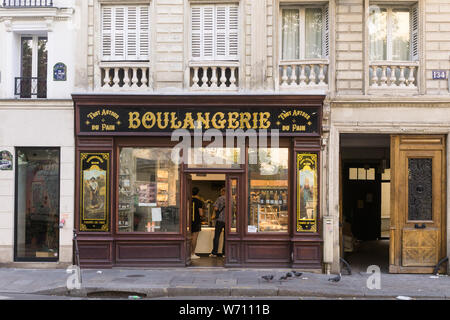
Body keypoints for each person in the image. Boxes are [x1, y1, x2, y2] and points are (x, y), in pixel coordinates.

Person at [210, 187, 226, 257]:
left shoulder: (220, 198)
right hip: (228, 221)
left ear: (222, 192)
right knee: (226, 237)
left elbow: (216, 208)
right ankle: (224, 253)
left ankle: (214, 253)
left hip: (220, 220)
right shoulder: (232, 199)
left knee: (217, 236)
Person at [191, 187, 204, 260]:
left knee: (189, 237)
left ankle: (188, 253)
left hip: (188, 221)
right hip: (196, 221)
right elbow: (201, 213)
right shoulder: (199, 202)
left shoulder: (188, 200)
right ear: (198, 193)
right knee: (194, 237)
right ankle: (192, 253)